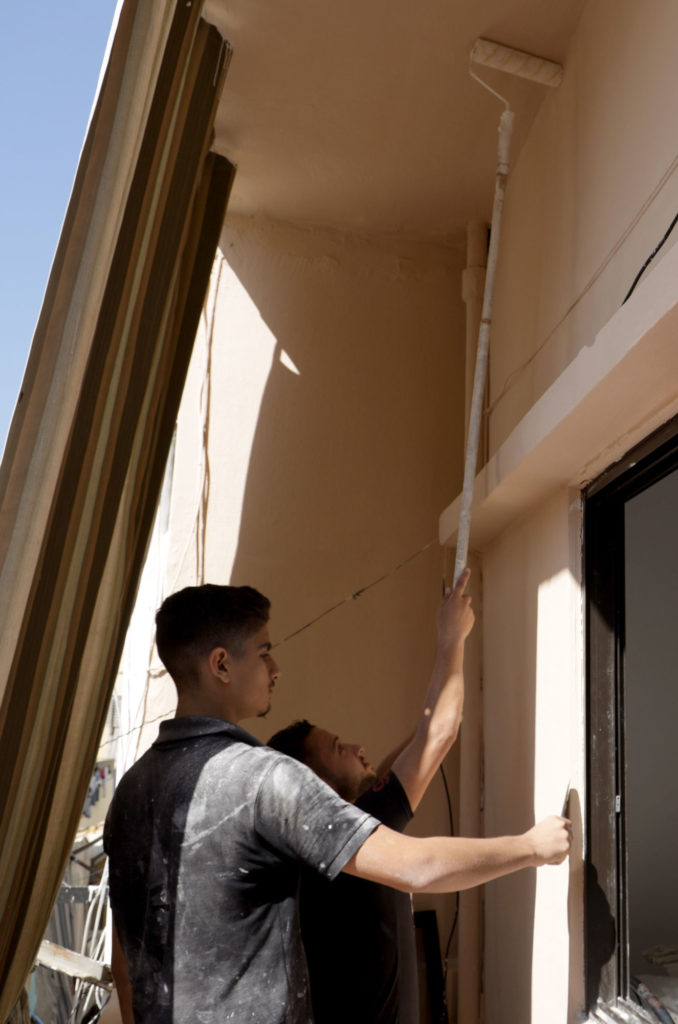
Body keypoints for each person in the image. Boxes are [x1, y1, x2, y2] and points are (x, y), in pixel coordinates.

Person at [104, 582, 571, 1024]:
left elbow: (124, 955)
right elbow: (418, 867)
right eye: (264, 652)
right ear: (221, 665)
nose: (276, 669)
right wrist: (532, 848)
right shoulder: (262, 779)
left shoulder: (130, 791)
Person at [267, 570, 474, 1023]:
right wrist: (451, 640)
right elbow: (440, 733)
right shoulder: (351, 829)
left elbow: (423, 735)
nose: (359, 748)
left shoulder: (319, 839)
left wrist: (447, 647)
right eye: (339, 748)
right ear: (314, 782)